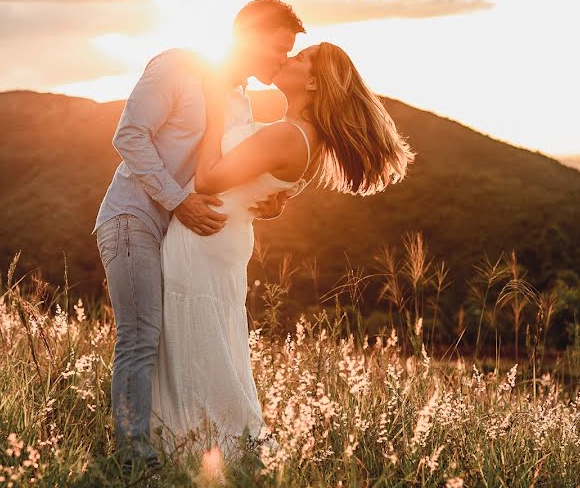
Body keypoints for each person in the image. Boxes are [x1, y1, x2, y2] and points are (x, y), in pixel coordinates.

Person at [151, 41, 416, 465]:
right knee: (212, 341)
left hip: (203, 237)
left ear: (313, 81)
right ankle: (205, 448)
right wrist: (273, 200)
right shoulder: (303, 136)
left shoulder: (288, 134)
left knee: (194, 343)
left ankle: (200, 450)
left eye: (300, 57)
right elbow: (270, 189)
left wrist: (215, 117)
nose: (287, 59)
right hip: (225, 238)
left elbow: (207, 180)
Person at [93, 0, 306, 476]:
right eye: (278, 48)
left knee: (166, 338)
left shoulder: (240, 100)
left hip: (180, 236)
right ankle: (134, 460)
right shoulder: (177, 67)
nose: (283, 60)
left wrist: (265, 203)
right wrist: (178, 200)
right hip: (133, 219)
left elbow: (223, 173)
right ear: (248, 36)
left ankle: (176, 444)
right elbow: (128, 136)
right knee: (141, 335)